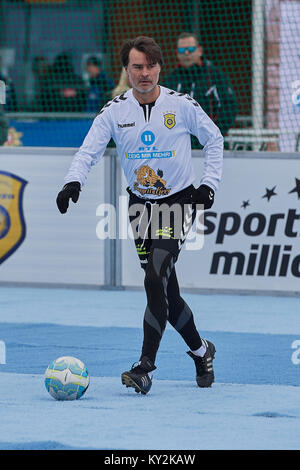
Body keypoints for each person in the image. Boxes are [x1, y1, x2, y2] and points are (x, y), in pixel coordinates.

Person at [56, 36, 223, 395]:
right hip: (138, 208)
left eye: (150, 66)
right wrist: (73, 182)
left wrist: (209, 185)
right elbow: (87, 152)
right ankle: (200, 350)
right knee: (166, 291)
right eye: (136, 66)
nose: (144, 73)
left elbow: (215, 140)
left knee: (153, 277)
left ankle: (145, 366)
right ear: (127, 70)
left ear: (160, 68)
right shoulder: (114, 112)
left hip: (177, 203)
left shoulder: (181, 106)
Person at [163, 32, 237, 141]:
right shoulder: (170, 80)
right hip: (178, 145)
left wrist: (213, 135)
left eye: (191, 49)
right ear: (177, 53)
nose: (187, 53)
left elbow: (230, 108)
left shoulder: (215, 77)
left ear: (200, 51)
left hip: (208, 144)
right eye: (182, 50)